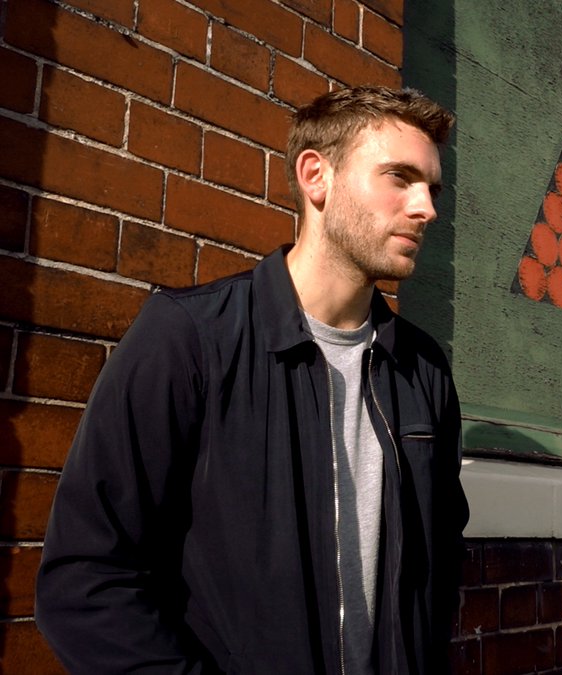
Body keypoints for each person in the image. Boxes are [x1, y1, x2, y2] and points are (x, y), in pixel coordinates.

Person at [35, 86, 470, 674]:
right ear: (316, 177)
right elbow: (87, 581)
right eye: (400, 177)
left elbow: (438, 565)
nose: (426, 208)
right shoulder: (190, 337)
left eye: (432, 188)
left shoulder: (422, 370)